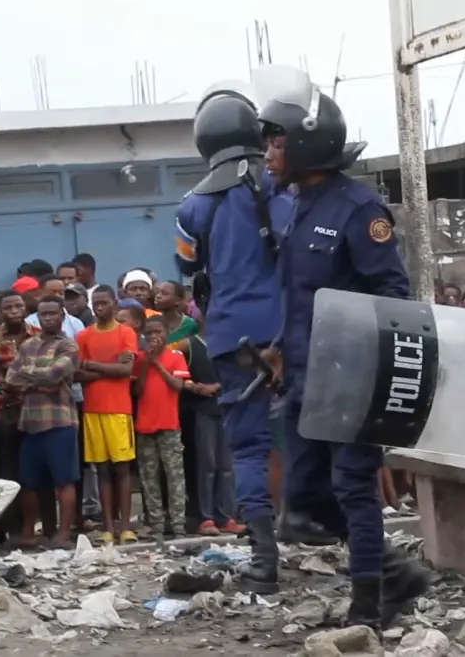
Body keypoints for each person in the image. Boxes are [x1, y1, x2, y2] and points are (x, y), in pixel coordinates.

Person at [257, 74, 428, 629]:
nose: (269, 151)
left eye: (276, 140)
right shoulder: (296, 207)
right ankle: (393, 569)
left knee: (354, 486)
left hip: (353, 376)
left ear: (307, 141)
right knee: (303, 497)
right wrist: (282, 349)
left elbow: (392, 292)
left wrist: (370, 366)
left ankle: (369, 605)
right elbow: (301, 297)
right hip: (308, 376)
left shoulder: (358, 208)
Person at [174, 82, 292, 589]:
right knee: (314, 437)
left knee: (246, 449)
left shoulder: (191, 206)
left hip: (229, 339)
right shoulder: (279, 186)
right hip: (290, 332)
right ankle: (350, 546)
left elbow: (185, 264)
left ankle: (264, 562)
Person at [7, 295, 82, 548]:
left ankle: (63, 534)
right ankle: (29, 533)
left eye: (53, 313)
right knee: (30, 482)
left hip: (60, 421)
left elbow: (54, 375)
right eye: (43, 314)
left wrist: (32, 375)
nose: (48, 318)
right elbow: (10, 379)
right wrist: (43, 380)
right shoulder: (28, 345)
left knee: (64, 480)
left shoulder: (69, 346)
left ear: (62, 315)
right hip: (30, 422)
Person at [76, 286, 139, 545]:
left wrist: (93, 365)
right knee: (102, 469)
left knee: (122, 469)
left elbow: (126, 370)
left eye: (104, 302)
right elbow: (76, 373)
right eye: (95, 303)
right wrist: (109, 368)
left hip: (119, 409)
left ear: (114, 303)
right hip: (93, 410)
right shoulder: (83, 335)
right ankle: (108, 527)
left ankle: (126, 526)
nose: (99, 307)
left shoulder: (126, 332)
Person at [0, 291, 40, 543]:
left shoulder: (38, 335)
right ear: (0, 309)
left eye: (18, 305)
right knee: (7, 471)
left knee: (32, 470)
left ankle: (34, 526)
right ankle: (9, 528)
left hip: (34, 409)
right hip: (4, 411)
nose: (14, 310)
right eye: (8, 306)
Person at [184, 326, 243, 536]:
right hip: (203, 410)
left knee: (226, 467)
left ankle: (226, 516)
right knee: (207, 465)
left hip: (226, 408)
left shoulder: (230, 342)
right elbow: (178, 372)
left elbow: (240, 374)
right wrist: (191, 386)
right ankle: (206, 517)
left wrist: (215, 387)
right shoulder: (190, 344)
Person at [134, 316, 189, 537]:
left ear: (167, 333)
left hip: (169, 424)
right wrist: (147, 364)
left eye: (158, 332)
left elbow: (178, 385)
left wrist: (158, 364)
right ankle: (156, 523)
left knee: (174, 476)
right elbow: (136, 391)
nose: (154, 337)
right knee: (149, 477)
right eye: (150, 333)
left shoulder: (175, 356)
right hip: (145, 425)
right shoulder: (140, 358)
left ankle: (178, 524)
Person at [154, 281, 198, 349]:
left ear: (178, 300)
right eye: (158, 292)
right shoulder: (151, 322)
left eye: (164, 294)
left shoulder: (190, 325)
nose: (158, 296)